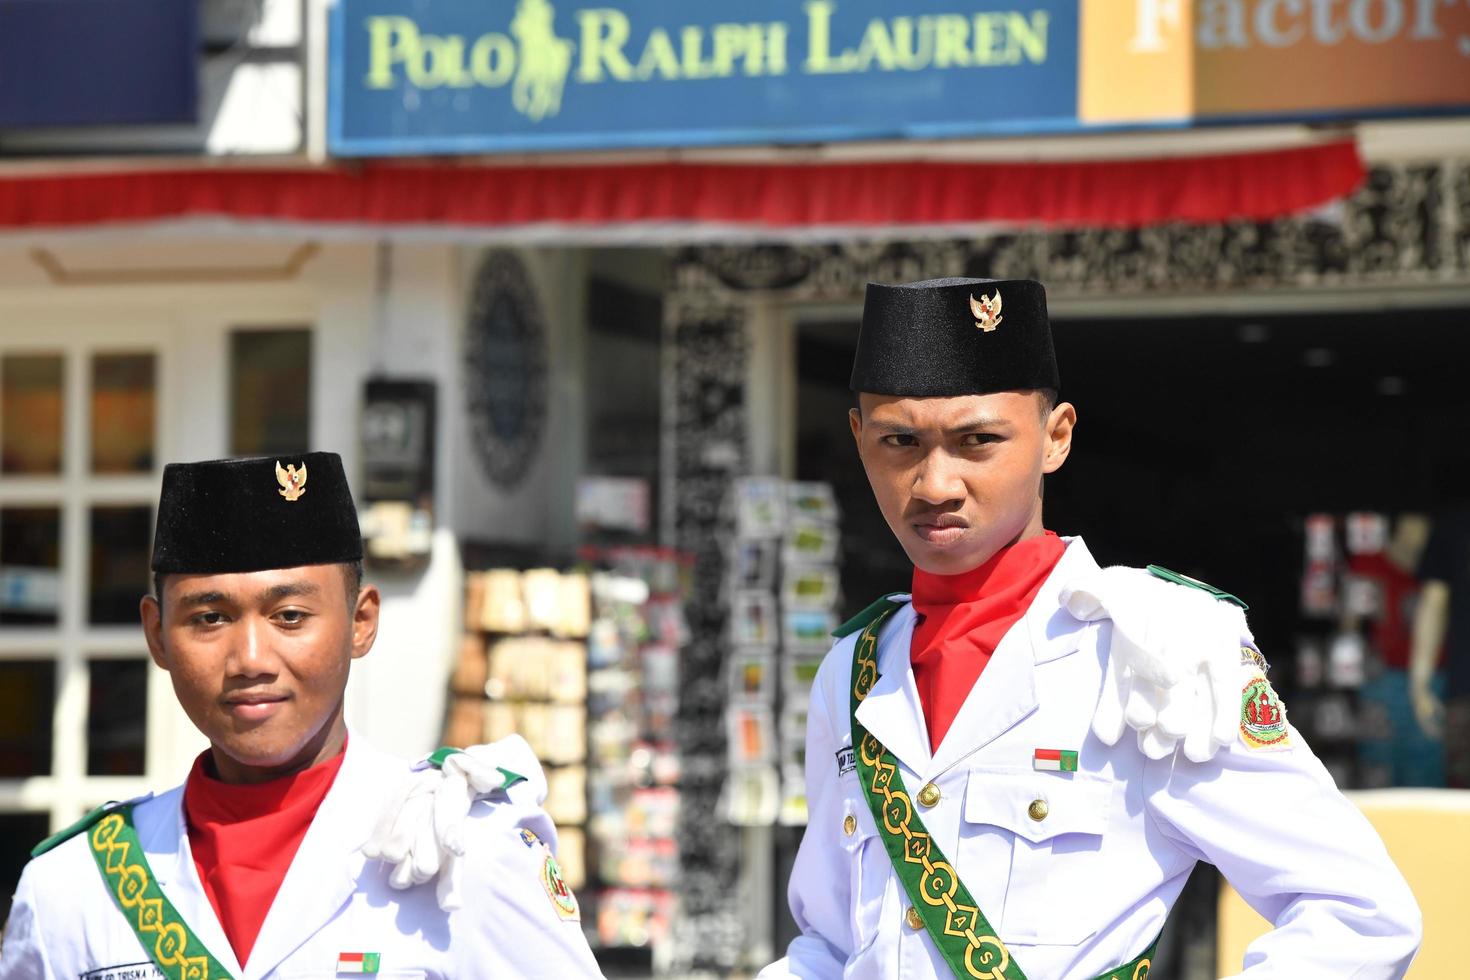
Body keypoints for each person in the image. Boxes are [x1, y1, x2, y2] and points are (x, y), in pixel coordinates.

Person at [754, 277, 1420, 979]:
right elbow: (830, 947)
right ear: (859, 439)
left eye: (977, 440)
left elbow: (1359, 911)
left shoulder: (1154, 652)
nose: (934, 484)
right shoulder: (853, 672)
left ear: (1056, 438)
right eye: (899, 441)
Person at [0, 453, 603, 979]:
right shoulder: (77, 885)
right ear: (157, 636)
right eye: (209, 618)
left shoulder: (460, 853)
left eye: (289, 616)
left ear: (361, 621)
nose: (251, 660)